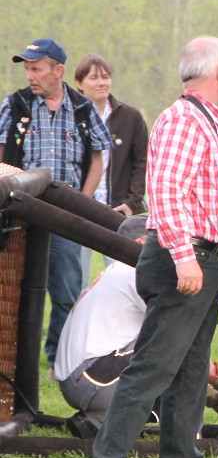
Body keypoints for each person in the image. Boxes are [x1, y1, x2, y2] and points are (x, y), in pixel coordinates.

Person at [82, 36, 218, 458]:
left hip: (201, 259)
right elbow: (164, 192)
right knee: (151, 369)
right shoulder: (184, 120)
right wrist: (185, 257)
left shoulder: (210, 124)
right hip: (180, 259)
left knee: (190, 373)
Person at [0, 38, 111, 372]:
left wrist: (84, 201)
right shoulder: (15, 104)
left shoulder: (81, 108)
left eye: (37, 69)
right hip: (19, 216)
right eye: (28, 70)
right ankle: (14, 362)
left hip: (64, 217)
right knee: (13, 294)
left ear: (58, 70)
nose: (30, 76)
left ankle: (58, 361)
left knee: (67, 293)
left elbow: (96, 157)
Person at [56, 216, 148, 438]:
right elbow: (175, 323)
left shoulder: (117, 270)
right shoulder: (134, 273)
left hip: (79, 379)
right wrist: (210, 375)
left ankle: (94, 421)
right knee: (169, 345)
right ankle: (186, 430)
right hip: (89, 380)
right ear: (141, 242)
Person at [74, 54, 149, 286]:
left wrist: (132, 202)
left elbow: (142, 162)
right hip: (79, 212)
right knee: (76, 282)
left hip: (118, 212)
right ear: (79, 83)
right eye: (94, 78)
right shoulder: (72, 117)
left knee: (126, 279)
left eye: (106, 77)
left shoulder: (131, 117)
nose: (102, 83)